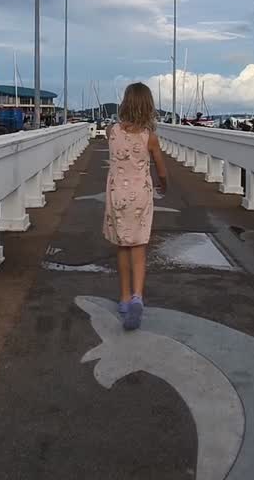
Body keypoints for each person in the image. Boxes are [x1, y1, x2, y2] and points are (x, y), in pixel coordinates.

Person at [103, 81, 168, 330]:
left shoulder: (112, 132)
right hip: (140, 197)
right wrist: (164, 185)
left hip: (117, 194)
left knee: (122, 247)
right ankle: (138, 297)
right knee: (139, 246)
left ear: (125, 104)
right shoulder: (149, 138)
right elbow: (161, 171)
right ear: (148, 107)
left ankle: (123, 298)